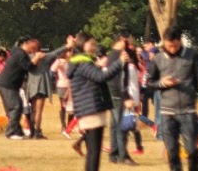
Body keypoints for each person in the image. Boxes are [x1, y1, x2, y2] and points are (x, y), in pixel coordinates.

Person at [147, 25, 198, 171]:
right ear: (163, 42)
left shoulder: (192, 55)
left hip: (188, 112)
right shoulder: (157, 59)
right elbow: (149, 83)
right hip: (166, 113)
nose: (172, 49)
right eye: (169, 46)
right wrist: (162, 83)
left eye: (175, 46)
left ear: (180, 40)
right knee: (172, 152)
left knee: (192, 150)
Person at [67, 32, 128, 171]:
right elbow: (101, 77)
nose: (94, 47)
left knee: (92, 152)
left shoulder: (80, 61)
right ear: (82, 44)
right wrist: (119, 63)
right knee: (94, 152)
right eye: (92, 44)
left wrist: (99, 67)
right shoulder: (82, 62)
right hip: (91, 109)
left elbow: (93, 77)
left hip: (86, 108)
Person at [0, 35, 46, 140]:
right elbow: (28, 67)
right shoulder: (20, 53)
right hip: (8, 84)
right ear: (25, 44)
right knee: (16, 107)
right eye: (30, 45)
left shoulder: (17, 52)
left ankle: (18, 131)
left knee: (16, 107)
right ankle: (10, 132)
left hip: (8, 84)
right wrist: (37, 57)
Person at [26, 39, 74, 139]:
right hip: (41, 85)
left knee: (33, 110)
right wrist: (68, 45)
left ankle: (32, 131)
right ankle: (37, 133)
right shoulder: (45, 57)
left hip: (31, 86)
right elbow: (56, 52)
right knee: (39, 111)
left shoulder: (27, 58)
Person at [107, 30, 136, 165]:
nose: (129, 42)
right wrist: (126, 97)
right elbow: (120, 79)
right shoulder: (119, 56)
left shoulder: (111, 55)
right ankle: (123, 156)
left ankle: (114, 154)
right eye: (127, 39)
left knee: (114, 126)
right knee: (121, 126)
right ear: (121, 39)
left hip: (112, 94)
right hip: (118, 95)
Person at [52, 49, 71, 131]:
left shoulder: (72, 61)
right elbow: (53, 69)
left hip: (70, 86)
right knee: (63, 106)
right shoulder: (61, 61)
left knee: (71, 107)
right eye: (70, 52)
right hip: (62, 85)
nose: (71, 53)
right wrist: (58, 62)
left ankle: (69, 125)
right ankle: (63, 125)